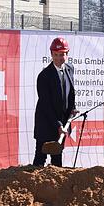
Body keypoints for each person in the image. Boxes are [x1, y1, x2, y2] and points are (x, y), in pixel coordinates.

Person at [33, 37, 77, 167]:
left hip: (62, 122)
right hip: (46, 123)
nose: (59, 58)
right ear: (51, 54)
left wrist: (72, 108)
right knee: (40, 158)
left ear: (67, 54)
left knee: (57, 159)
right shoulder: (44, 76)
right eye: (56, 55)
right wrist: (57, 125)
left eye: (62, 55)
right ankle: (34, 185)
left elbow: (70, 92)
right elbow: (46, 105)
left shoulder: (70, 68)